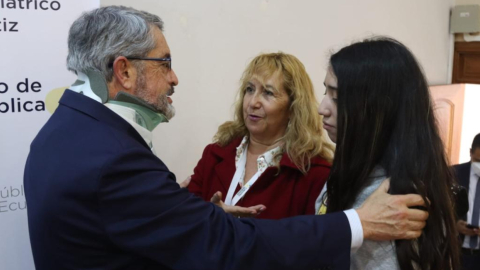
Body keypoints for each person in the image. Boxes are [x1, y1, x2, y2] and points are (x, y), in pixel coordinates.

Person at [24, 6, 428, 270]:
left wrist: (204, 220)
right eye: (164, 64)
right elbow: (220, 244)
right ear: (124, 71)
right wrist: (357, 223)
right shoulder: (113, 158)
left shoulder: (65, 132)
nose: (174, 77)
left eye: (268, 93)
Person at [316, 37, 460, 270]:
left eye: (336, 96)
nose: (322, 108)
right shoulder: (353, 172)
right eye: (326, 92)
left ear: (378, 109)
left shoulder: (395, 202)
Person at [187, 52, 334, 219]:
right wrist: (209, 214)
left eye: (268, 93)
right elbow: (186, 220)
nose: (252, 102)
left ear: (293, 107)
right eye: (249, 90)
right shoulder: (214, 155)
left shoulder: (314, 173)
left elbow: (312, 240)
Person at [454, 133, 480, 270]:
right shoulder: (452, 174)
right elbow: (437, 210)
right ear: (470, 152)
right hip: (456, 254)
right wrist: (454, 225)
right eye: (478, 160)